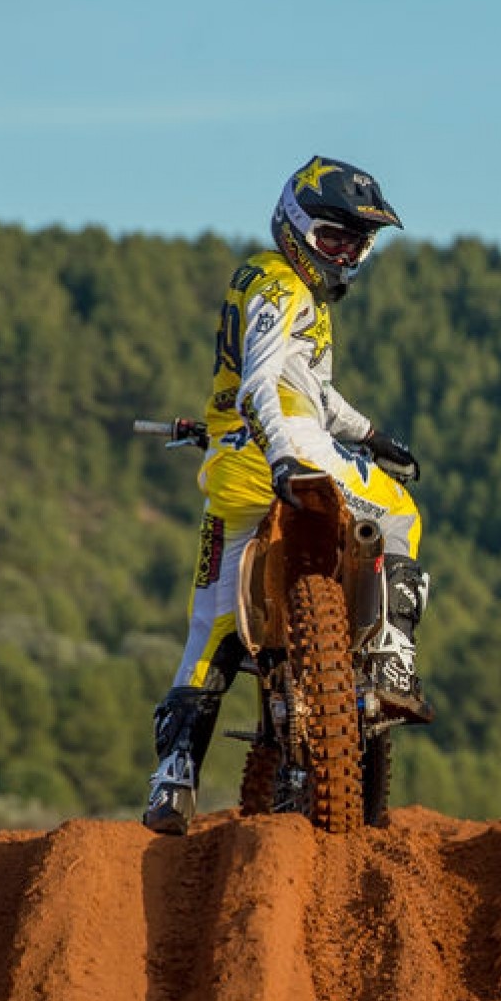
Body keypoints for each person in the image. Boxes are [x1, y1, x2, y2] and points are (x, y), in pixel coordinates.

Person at [141, 155, 428, 836]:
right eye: (335, 237)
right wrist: (284, 455)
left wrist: (373, 433)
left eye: (358, 243)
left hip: (232, 471)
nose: (347, 253)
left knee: (210, 625)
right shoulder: (284, 285)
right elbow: (266, 386)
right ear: (297, 223)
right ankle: (390, 650)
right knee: (401, 513)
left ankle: (174, 777)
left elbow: (315, 389)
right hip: (283, 449)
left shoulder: (270, 283)